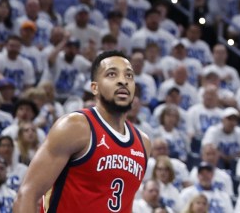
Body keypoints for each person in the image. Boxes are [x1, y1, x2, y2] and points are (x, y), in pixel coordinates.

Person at [13, 51, 151, 213]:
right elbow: (27, 194)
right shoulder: (75, 126)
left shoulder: (143, 142)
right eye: (112, 74)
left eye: (129, 76)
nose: (123, 81)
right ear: (95, 88)